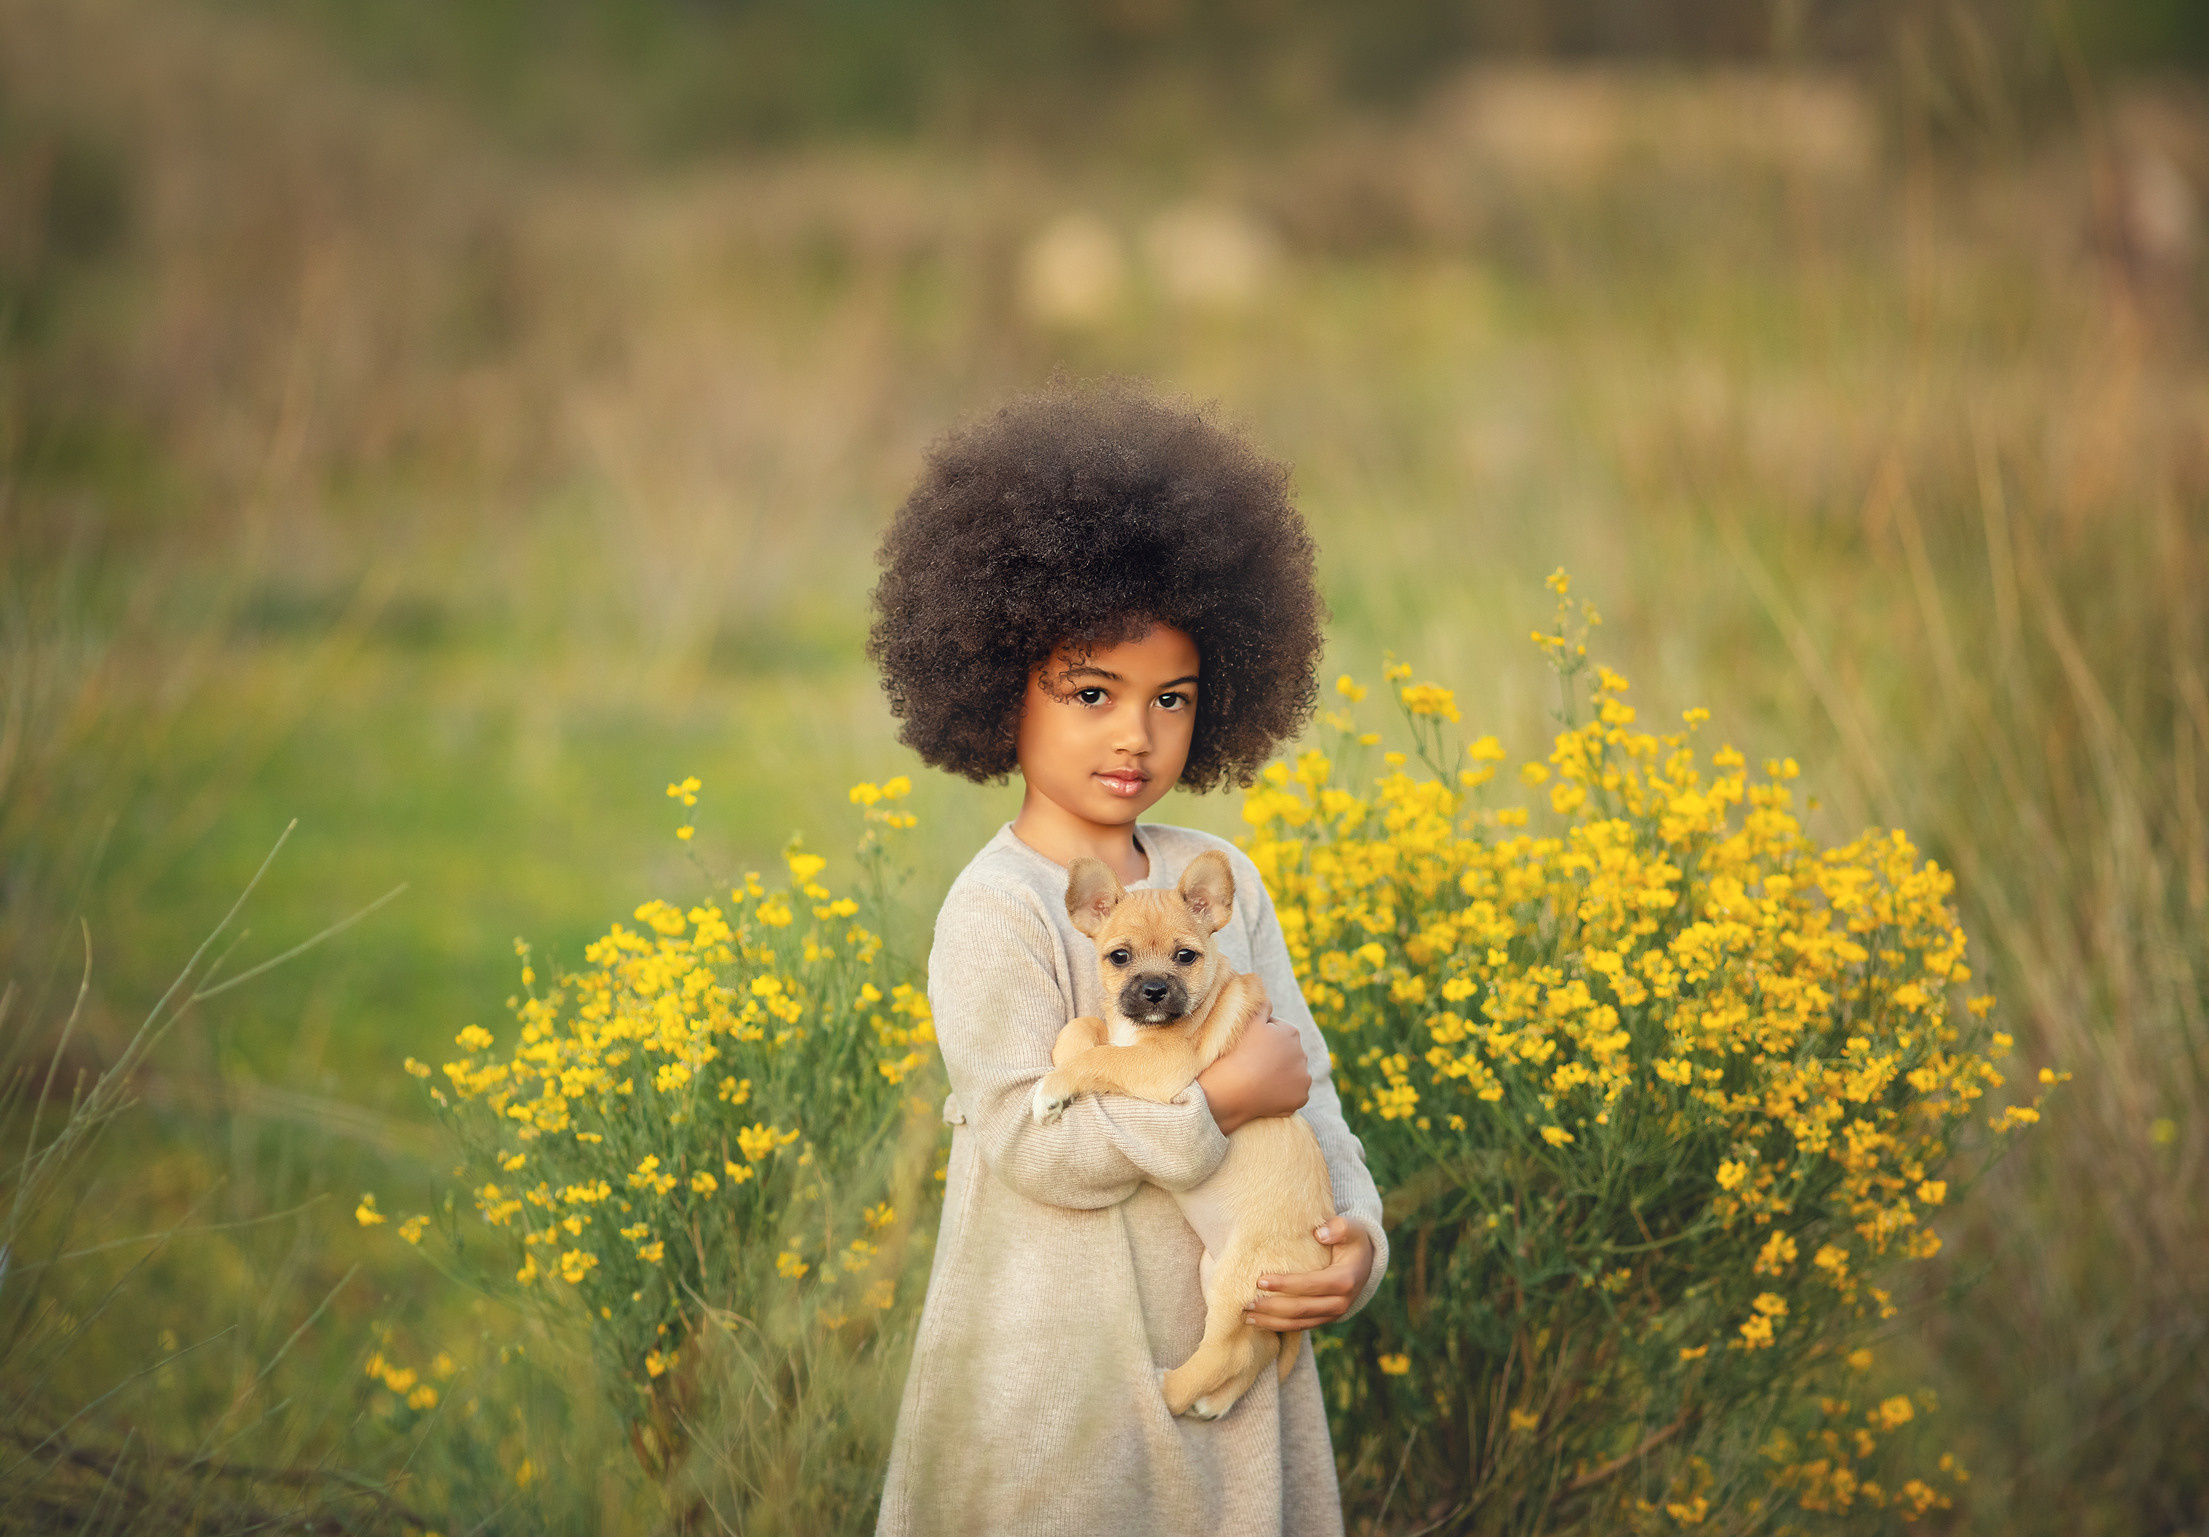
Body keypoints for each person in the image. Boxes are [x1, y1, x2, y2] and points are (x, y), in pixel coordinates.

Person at [869, 380, 1388, 1537]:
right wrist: (1213, 1095)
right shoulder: (993, 912)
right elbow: (1032, 1147)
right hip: (1057, 1379)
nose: (1134, 735)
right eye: (1092, 692)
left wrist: (1356, 1239)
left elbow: (1311, 1088)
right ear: (1000, 677)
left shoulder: (1219, 876)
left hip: (1229, 1347)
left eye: (1173, 699)